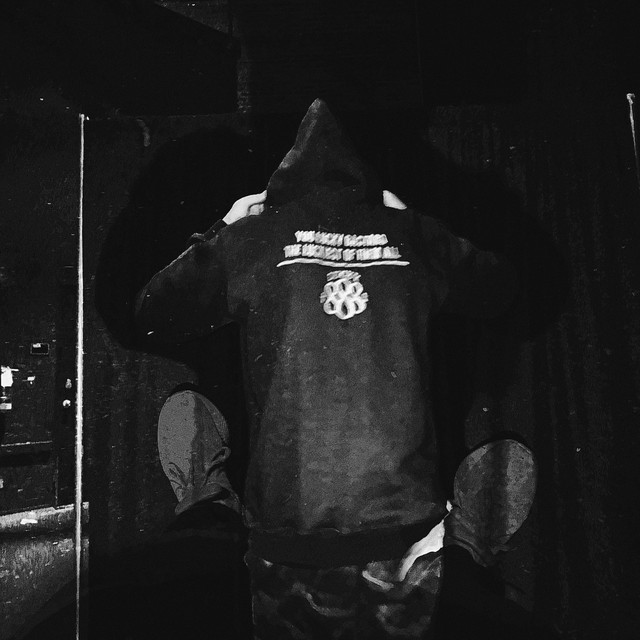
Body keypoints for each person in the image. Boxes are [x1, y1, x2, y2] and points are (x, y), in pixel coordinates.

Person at [135, 99, 542, 639]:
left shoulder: (250, 237)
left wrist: (225, 226)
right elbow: (500, 290)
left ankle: (210, 506)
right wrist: (414, 224)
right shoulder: (410, 233)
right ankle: (466, 543)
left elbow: (154, 313)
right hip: (402, 528)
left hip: (289, 532)